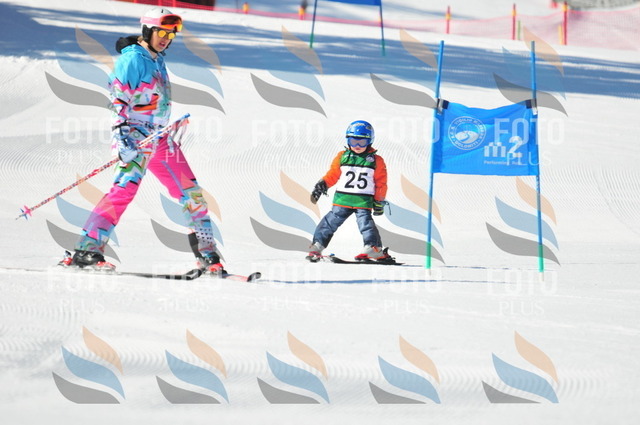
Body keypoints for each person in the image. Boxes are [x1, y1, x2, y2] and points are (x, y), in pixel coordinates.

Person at [59, 7, 224, 274]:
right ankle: (86, 250)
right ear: (147, 30)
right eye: (161, 33)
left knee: (191, 192)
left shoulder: (157, 59)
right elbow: (117, 99)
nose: (166, 39)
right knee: (123, 190)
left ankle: (207, 255)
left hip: (159, 136)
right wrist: (121, 136)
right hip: (134, 136)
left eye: (170, 35)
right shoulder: (133, 59)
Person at [307, 120, 391, 262]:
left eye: (362, 142)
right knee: (329, 222)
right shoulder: (342, 156)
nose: (357, 146)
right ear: (347, 140)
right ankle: (317, 245)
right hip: (342, 199)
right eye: (353, 141)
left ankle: (373, 248)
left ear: (370, 141)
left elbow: (381, 183)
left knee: (366, 225)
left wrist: (379, 200)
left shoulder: (376, 160)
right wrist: (322, 185)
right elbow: (333, 174)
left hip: (363, 201)